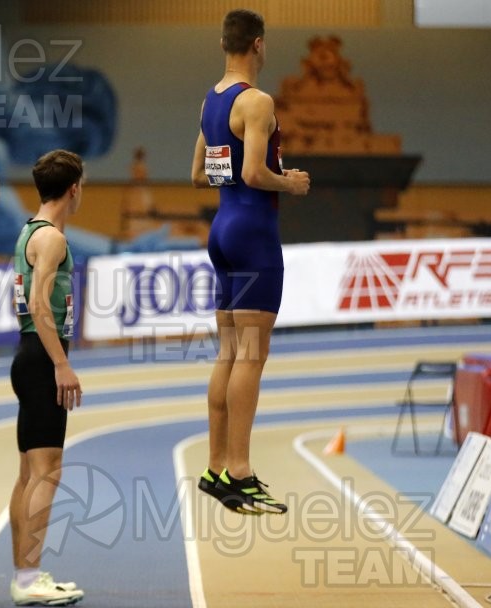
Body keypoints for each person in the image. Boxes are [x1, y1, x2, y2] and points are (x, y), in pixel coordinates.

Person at [190, 9, 310, 515]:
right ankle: (239, 469)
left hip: (222, 232)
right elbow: (257, 171)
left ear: (225, 45)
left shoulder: (211, 101)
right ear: (258, 46)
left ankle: (216, 466)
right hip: (255, 235)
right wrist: (291, 182)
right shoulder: (257, 101)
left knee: (229, 353)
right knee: (252, 357)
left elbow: (198, 175)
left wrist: (235, 181)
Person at [7, 150, 85, 606]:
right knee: (46, 472)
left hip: (29, 354)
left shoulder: (28, 232)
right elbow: (39, 305)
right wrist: (61, 363)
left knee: (28, 476)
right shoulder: (52, 239)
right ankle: (28, 577)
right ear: (74, 188)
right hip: (41, 359)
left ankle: (25, 572)